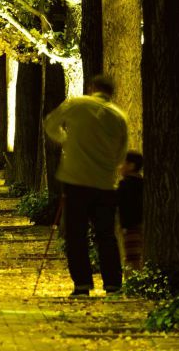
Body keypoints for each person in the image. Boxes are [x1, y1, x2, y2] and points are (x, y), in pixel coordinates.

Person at [43, 74, 129, 297]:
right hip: (105, 183)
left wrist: (66, 140)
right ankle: (112, 284)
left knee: (76, 234)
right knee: (106, 235)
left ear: (91, 88)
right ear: (111, 92)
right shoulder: (119, 116)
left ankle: (82, 284)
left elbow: (50, 123)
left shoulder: (76, 104)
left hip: (76, 180)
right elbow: (121, 151)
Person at [117, 151, 144, 269]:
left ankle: (135, 283)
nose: (119, 167)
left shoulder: (125, 185)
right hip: (141, 224)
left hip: (130, 226)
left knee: (133, 258)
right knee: (139, 254)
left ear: (131, 166)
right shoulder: (143, 183)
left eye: (122, 163)